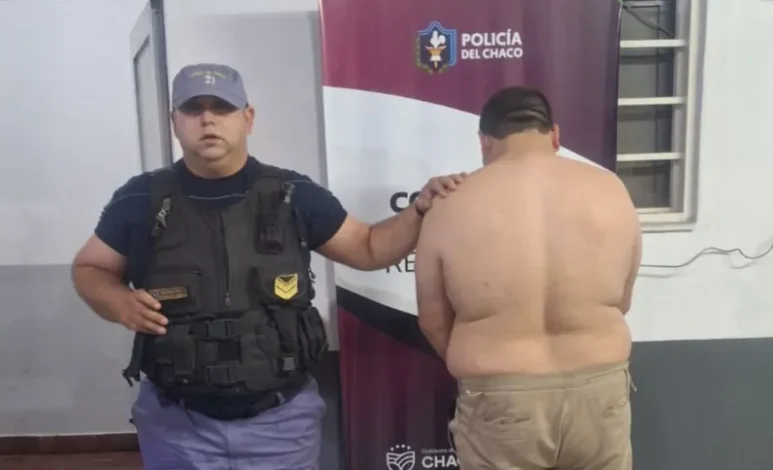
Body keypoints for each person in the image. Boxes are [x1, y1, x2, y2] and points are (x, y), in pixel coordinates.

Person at [70, 62, 465, 470]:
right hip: (177, 425)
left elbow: (369, 249)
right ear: (175, 122)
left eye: (222, 107)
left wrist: (419, 210)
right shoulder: (141, 199)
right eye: (193, 108)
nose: (208, 119)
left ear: (248, 118)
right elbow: (90, 269)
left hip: (280, 424)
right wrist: (117, 302)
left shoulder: (294, 194)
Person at [414, 86, 642, 470]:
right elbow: (622, 298)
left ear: (484, 142)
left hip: (500, 398)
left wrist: (488, 354)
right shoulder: (611, 189)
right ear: (555, 135)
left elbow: (433, 320)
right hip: (599, 390)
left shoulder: (450, 202)